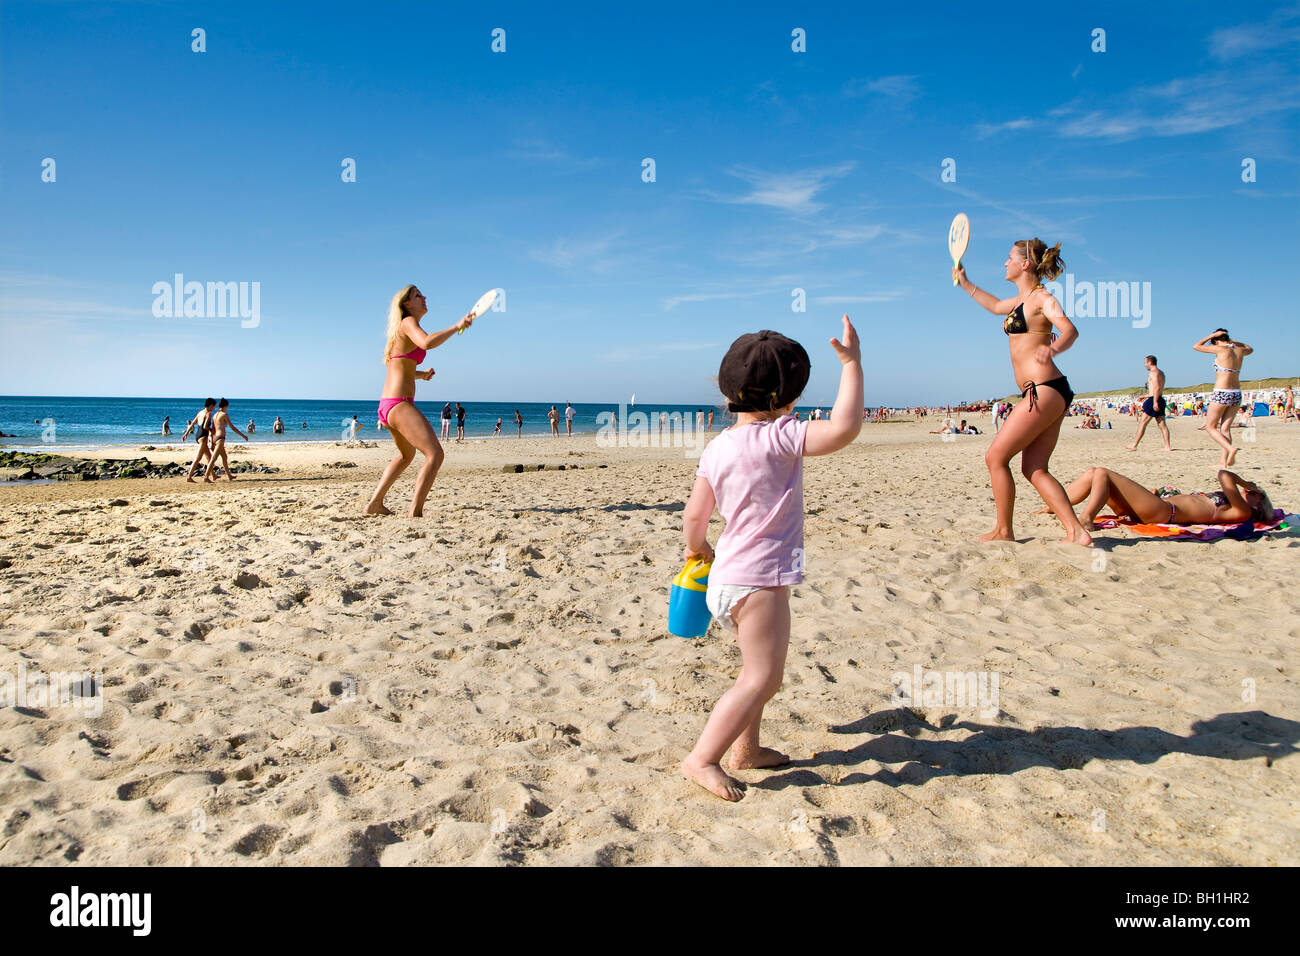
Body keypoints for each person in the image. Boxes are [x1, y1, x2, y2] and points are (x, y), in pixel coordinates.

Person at [680, 316, 863, 802]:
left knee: (752, 669)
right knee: (763, 677)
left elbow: (694, 517)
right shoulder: (781, 436)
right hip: (759, 580)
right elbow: (845, 428)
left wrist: (696, 550)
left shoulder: (717, 447)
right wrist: (852, 365)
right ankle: (702, 758)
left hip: (726, 577)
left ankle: (748, 748)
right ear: (789, 396)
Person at [953, 236, 1091, 546]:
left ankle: (1004, 530)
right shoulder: (1019, 302)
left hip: (1043, 389)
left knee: (995, 457)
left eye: (1009, 258)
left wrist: (1052, 350)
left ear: (1024, 263)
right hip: (1050, 391)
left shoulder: (1043, 299)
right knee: (1035, 468)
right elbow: (994, 306)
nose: (1005, 262)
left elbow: (1070, 330)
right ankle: (1076, 531)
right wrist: (965, 282)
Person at [365, 284, 472, 517]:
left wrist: (421, 375)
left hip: (388, 406)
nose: (424, 297)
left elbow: (399, 368)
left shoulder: (402, 329)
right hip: (399, 404)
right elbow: (426, 343)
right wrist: (457, 326)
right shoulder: (407, 323)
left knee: (407, 456)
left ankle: (375, 503)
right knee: (435, 454)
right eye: (417, 295)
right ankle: (415, 511)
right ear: (406, 304)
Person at [1050, 467, 1273, 529]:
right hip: (1155, 507)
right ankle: (1053, 506)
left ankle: (1087, 517)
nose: (1247, 492)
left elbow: (1224, 475)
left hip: (1164, 513)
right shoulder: (1237, 506)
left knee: (1103, 474)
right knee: (1093, 473)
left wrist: (1246, 483)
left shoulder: (1242, 512)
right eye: (1248, 490)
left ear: (1259, 505)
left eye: (1253, 494)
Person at [1193, 328, 1252, 466]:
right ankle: (1224, 460)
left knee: (1210, 426)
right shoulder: (1239, 350)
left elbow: (1196, 346)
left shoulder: (1220, 349)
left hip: (1222, 391)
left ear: (1216, 341)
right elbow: (1250, 348)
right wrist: (1233, 341)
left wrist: (1211, 335)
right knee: (1225, 428)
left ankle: (1231, 449)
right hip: (1236, 392)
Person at [1126, 355, 1171, 451]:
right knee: (1162, 425)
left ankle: (1134, 445)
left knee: (1143, 423)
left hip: (1154, 400)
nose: (1144, 365)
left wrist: (1154, 402)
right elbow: (1156, 390)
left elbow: (1157, 387)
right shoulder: (1161, 373)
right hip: (1159, 398)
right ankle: (1167, 446)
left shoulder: (1153, 373)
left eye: (1145, 363)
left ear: (1149, 362)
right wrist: (1145, 396)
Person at [204, 398, 248, 482]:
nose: (227, 408)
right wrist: (243, 436)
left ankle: (229, 476)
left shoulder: (215, 415)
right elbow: (232, 428)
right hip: (220, 438)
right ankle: (206, 476)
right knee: (214, 458)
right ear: (225, 406)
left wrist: (211, 440)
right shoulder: (224, 415)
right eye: (227, 407)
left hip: (215, 437)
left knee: (224, 457)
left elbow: (213, 428)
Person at [181, 398, 216, 482]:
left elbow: (192, 423)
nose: (214, 408)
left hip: (198, 436)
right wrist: (212, 430)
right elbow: (205, 427)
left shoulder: (200, 413)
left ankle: (213, 475)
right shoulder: (208, 414)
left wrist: (186, 434)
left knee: (209, 458)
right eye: (213, 406)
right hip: (203, 437)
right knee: (198, 458)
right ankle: (189, 477)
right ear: (211, 405)